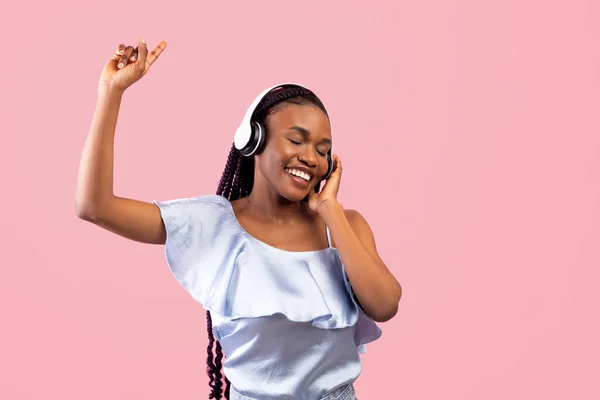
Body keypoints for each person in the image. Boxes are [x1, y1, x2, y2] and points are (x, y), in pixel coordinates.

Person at [76, 38, 402, 400]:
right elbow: (94, 206)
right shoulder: (212, 224)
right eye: (297, 141)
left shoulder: (345, 226)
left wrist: (330, 212)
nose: (311, 158)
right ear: (253, 141)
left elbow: (385, 305)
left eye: (323, 150)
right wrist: (111, 92)